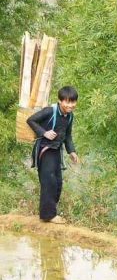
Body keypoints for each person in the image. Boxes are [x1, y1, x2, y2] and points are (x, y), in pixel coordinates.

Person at [27, 86, 79, 224]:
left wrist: (72, 151)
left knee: (57, 182)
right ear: (59, 101)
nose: (70, 105)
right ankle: (47, 215)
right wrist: (44, 133)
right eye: (67, 102)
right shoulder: (50, 111)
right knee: (49, 182)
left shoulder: (69, 116)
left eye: (73, 102)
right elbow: (31, 120)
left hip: (56, 150)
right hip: (44, 150)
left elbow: (67, 135)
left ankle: (50, 211)